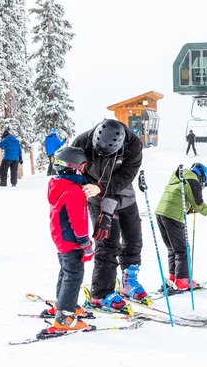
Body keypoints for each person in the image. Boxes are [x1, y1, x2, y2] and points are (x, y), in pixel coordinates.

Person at [71, 119, 145, 309]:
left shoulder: (133, 145)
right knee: (108, 243)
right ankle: (101, 293)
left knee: (134, 239)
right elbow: (73, 171)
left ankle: (129, 282)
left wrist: (101, 187)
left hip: (123, 195)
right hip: (95, 197)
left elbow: (127, 176)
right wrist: (90, 189)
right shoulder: (82, 142)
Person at [44, 147, 95, 333]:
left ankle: (64, 304)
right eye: (82, 166)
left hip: (61, 238)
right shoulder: (74, 190)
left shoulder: (58, 184)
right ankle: (64, 316)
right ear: (72, 167)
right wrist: (85, 244)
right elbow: (78, 220)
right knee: (74, 275)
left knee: (66, 271)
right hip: (71, 240)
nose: (84, 170)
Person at [154, 163, 207, 290]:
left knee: (173, 248)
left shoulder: (179, 176)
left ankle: (174, 277)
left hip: (161, 213)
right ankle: (182, 280)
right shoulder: (193, 181)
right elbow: (199, 204)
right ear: (202, 177)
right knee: (182, 250)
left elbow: (179, 196)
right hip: (173, 215)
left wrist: (188, 208)